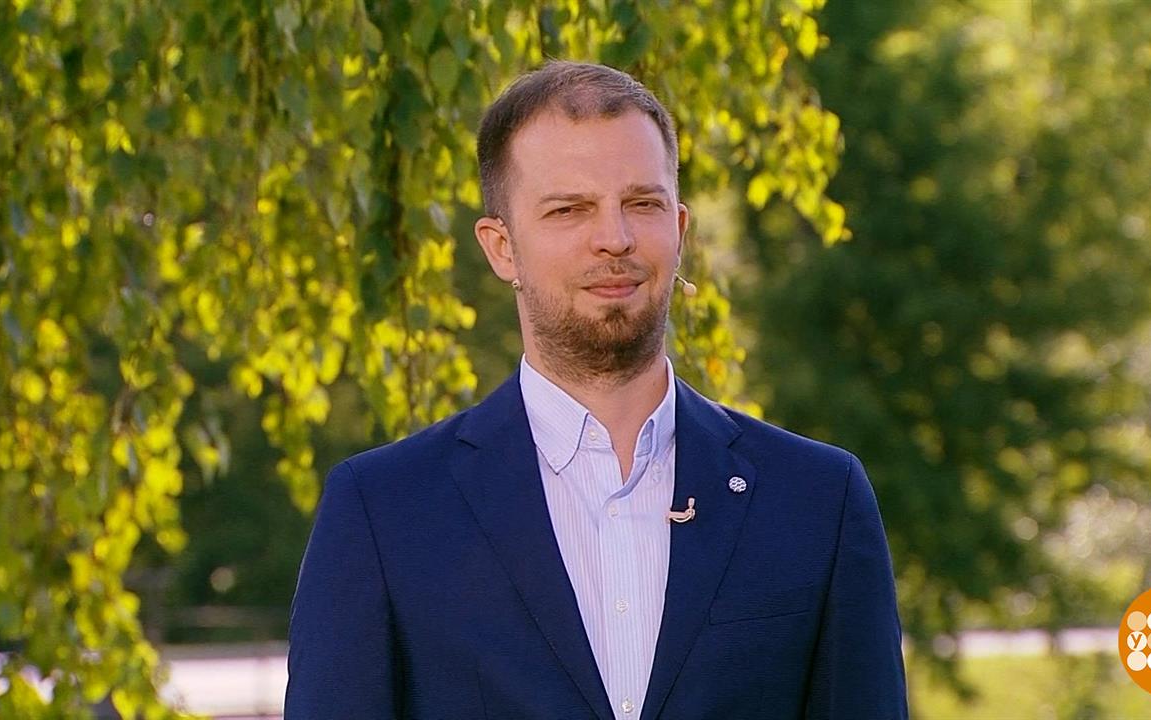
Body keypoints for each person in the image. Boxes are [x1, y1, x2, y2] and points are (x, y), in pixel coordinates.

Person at [285, 60, 907, 720]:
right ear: (501, 248)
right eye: (568, 210)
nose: (615, 239)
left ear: (679, 229)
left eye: (642, 204)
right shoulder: (385, 513)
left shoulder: (817, 500)